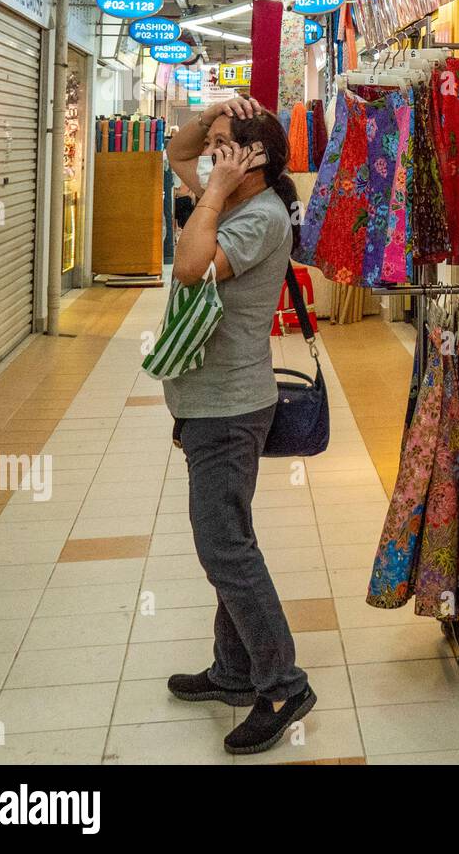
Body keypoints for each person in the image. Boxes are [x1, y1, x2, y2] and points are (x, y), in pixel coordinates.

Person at [162, 94, 316, 755]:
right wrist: (211, 117)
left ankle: (281, 682)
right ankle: (232, 670)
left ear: (252, 161)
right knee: (230, 537)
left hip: (228, 411)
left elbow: (191, 266)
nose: (210, 153)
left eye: (225, 143)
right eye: (214, 142)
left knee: (224, 546)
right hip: (210, 403)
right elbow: (175, 151)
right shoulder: (235, 196)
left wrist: (212, 189)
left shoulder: (256, 216)